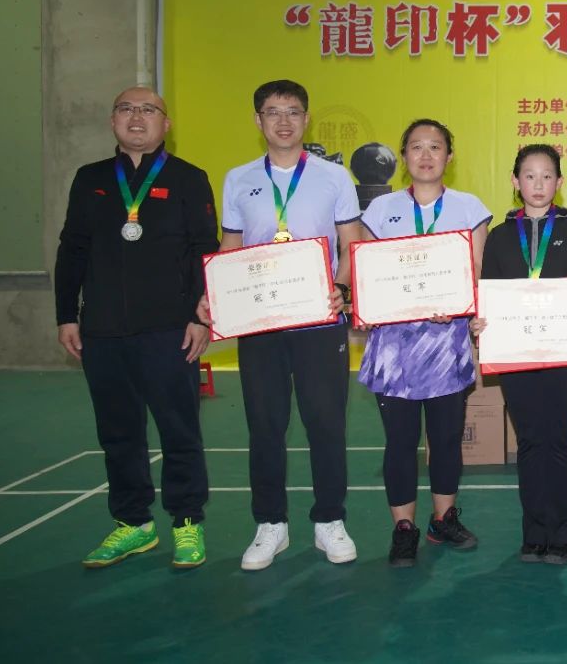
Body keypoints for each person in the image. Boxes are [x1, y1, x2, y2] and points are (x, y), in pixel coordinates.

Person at [55, 86, 218, 569]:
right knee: (118, 432)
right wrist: (66, 314)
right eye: (126, 109)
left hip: (170, 330)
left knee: (179, 430)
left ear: (166, 124)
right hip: (102, 331)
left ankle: (186, 522)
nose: (137, 117)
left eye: (148, 110)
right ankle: (133, 523)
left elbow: (203, 251)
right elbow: (73, 249)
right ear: (113, 121)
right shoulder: (90, 179)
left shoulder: (189, 178)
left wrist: (200, 317)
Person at [206, 79, 359, 571]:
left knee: (326, 423)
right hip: (261, 323)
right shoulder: (238, 179)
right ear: (258, 121)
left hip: (318, 323)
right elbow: (231, 247)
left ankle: (329, 520)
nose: (284, 121)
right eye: (273, 112)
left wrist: (341, 288)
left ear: (306, 118)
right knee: (265, 424)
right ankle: (270, 523)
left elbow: (350, 245)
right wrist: (216, 294)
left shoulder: (334, 177)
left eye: (293, 111)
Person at [357, 119, 491, 567]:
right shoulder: (381, 210)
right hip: (393, 347)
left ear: (449, 157)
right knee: (399, 442)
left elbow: (476, 270)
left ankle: (443, 519)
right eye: (416, 147)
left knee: (446, 439)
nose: (426, 155)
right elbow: (369, 272)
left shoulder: (469, 208)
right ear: (404, 156)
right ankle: (403, 529)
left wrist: (457, 302)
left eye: (436, 147)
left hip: (446, 343)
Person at [473, 144, 567, 566]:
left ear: (559, 183)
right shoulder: (499, 237)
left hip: (563, 354)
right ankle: (534, 533)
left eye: (547, 176)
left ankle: (563, 534)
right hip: (516, 353)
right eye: (529, 175)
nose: (538, 184)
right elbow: (488, 293)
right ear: (515, 182)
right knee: (530, 441)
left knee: (558, 439)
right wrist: (481, 323)